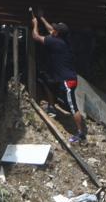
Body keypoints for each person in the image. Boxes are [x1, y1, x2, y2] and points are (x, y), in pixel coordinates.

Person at [31, 13, 87, 143]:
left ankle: (80, 133)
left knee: (73, 107)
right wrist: (43, 18)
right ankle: (52, 107)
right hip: (63, 78)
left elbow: (36, 36)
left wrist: (35, 23)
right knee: (49, 84)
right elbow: (51, 29)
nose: (52, 29)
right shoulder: (63, 39)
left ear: (57, 33)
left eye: (55, 29)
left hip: (68, 81)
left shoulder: (54, 42)